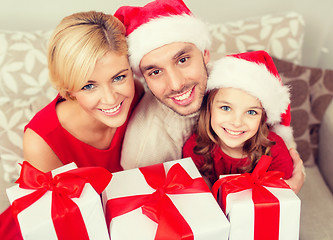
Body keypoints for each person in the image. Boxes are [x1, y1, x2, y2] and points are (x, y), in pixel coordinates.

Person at [115, 0, 304, 193]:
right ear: (144, 77)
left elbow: (278, 129)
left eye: (182, 60)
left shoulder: (235, 76)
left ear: (205, 54)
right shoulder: (144, 147)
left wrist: (291, 172)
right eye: (155, 72)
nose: (176, 84)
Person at [0, 11, 143, 240]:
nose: (110, 99)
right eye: (89, 86)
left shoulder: (138, 95)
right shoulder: (43, 140)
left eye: (119, 77)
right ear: (69, 89)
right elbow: (59, 226)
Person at [182, 51, 294, 186]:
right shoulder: (196, 148)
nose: (236, 122)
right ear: (209, 109)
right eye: (226, 108)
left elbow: (281, 199)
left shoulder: (275, 151)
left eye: (251, 112)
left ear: (263, 119)